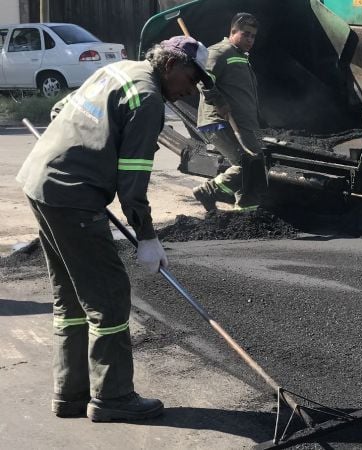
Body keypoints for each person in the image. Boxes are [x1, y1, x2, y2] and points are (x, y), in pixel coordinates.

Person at [16, 36, 213, 421]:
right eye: (192, 78)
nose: (193, 89)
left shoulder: (116, 70)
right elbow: (132, 182)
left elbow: (60, 109)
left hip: (40, 183)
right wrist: (148, 236)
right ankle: (112, 398)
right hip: (73, 196)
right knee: (108, 295)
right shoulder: (150, 99)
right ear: (171, 65)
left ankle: (70, 394)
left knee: (72, 296)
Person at [192, 12, 267, 212]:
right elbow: (203, 80)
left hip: (244, 123)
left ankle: (246, 212)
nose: (250, 40)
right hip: (220, 121)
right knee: (245, 165)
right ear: (233, 32)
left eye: (253, 36)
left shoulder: (241, 57)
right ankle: (208, 190)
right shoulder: (219, 51)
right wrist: (219, 102)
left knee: (254, 166)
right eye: (246, 34)